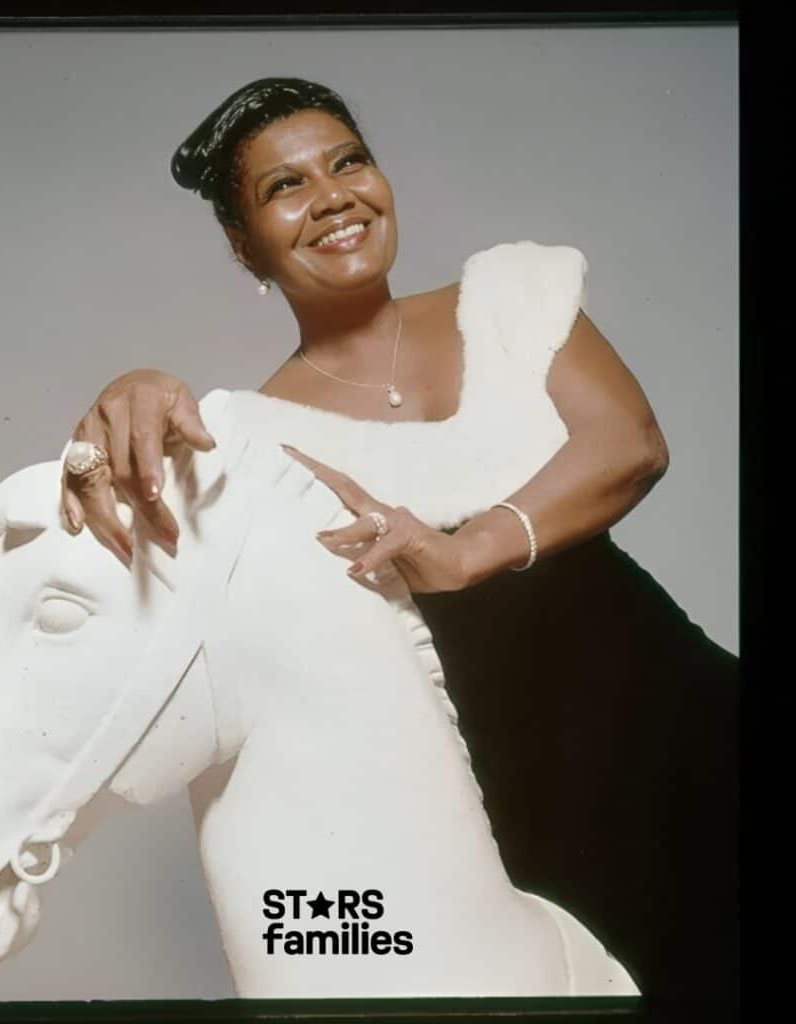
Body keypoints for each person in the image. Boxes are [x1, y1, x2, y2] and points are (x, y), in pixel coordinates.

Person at [59, 78, 738, 1018]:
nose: (333, 194)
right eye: (283, 187)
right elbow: (151, 595)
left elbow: (629, 445)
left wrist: (466, 552)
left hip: (688, 728)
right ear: (241, 241)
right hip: (516, 822)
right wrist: (124, 394)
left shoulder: (508, 297)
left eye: (348, 161)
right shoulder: (250, 438)